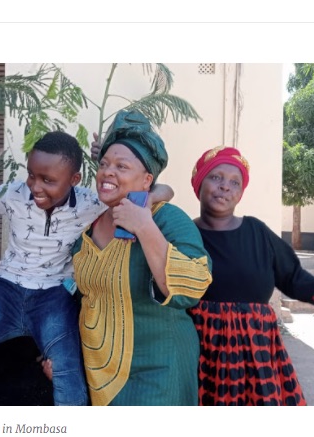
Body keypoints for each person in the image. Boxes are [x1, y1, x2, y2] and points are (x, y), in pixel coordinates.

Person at [0, 130, 173, 406]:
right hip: (3, 292)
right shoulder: (12, 193)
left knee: (67, 380)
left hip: (54, 298)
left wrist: (148, 200)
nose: (36, 186)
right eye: (32, 174)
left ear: (74, 180)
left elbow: (166, 190)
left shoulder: (90, 203)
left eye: (48, 180)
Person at [187, 145, 314, 406]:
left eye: (234, 182)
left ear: (240, 194)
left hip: (258, 351)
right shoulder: (185, 234)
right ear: (198, 182)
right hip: (204, 351)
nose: (225, 187)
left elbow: (293, 276)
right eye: (216, 177)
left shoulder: (257, 233)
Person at [71, 110, 213, 406]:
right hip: (96, 373)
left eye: (122, 166)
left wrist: (144, 226)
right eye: (105, 164)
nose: (109, 172)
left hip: (158, 370)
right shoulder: (90, 227)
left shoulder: (167, 219)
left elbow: (193, 287)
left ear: (147, 179)